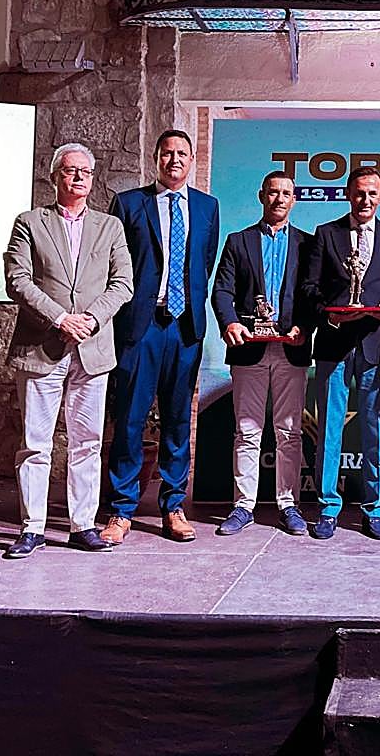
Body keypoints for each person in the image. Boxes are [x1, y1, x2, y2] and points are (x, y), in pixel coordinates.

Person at [0, 143, 133, 558]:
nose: (79, 177)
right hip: (44, 345)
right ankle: (32, 527)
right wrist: (61, 318)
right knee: (36, 443)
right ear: (55, 176)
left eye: (86, 172)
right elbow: (17, 279)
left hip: (92, 349)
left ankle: (82, 525)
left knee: (88, 442)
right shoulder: (30, 222)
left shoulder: (110, 226)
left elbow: (123, 283)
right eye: (71, 171)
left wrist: (91, 320)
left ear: (93, 179)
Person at [101, 130, 220, 545]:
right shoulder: (129, 203)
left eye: (182, 154)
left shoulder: (207, 206)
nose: (174, 160)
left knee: (176, 422)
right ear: (155, 158)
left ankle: (173, 506)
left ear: (191, 161)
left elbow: (204, 264)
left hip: (184, 327)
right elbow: (114, 263)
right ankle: (120, 510)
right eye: (167, 153)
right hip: (141, 325)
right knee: (130, 419)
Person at [210, 172, 313, 536]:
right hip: (248, 350)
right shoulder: (239, 242)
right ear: (261, 195)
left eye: (286, 193)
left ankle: (288, 503)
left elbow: (313, 294)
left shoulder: (307, 244)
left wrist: (305, 325)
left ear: (294, 199)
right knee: (247, 430)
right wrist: (230, 323)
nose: (279, 199)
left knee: (289, 431)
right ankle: (243, 504)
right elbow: (221, 290)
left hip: (291, 349)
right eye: (273, 192)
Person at [302, 166, 380, 541]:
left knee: (375, 428)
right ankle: (328, 507)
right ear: (348, 194)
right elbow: (309, 287)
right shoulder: (327, 234)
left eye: (373, 193)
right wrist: (331, 311)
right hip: (333, 343)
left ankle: (374, 510)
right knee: (328, 428)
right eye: (359, 193)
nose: (366, 200)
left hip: (375, 346)